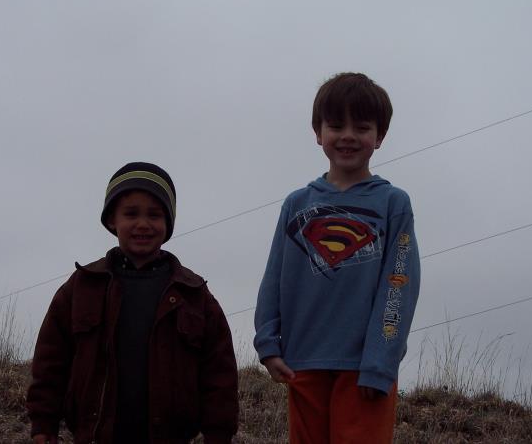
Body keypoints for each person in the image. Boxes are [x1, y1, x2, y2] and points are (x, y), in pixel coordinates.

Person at [254, 73, 421, 443]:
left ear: (380, 136)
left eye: (361, 127)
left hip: (364, 368)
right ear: (318, 132)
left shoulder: (393, 204)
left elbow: (399, 285)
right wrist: (267, 343)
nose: (348, 136)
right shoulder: (297, 204)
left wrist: (380, 361)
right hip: (303, 361)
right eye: (335, 125)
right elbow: (274, 275)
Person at [27, 162, 238, 444]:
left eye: (154, 215)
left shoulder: (194, 295)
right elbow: (50, 361)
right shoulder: (81, 286)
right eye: (131, 213)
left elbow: (220, 374)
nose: (143, 224)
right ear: (112, 220)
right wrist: (43, 425)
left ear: (168, 224)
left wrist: (219, 433)